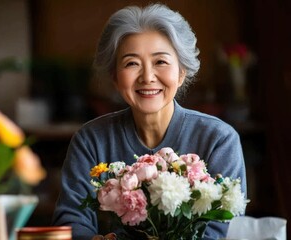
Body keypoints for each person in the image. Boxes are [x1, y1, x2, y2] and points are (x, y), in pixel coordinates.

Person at [52, 3, 247, 240]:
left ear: (181, 71)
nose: (147, 77)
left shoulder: (218, 139)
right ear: (115, 77)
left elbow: (220, 230)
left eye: (160, 62)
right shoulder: (91, 140)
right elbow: (72, 221)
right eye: (131, 63)